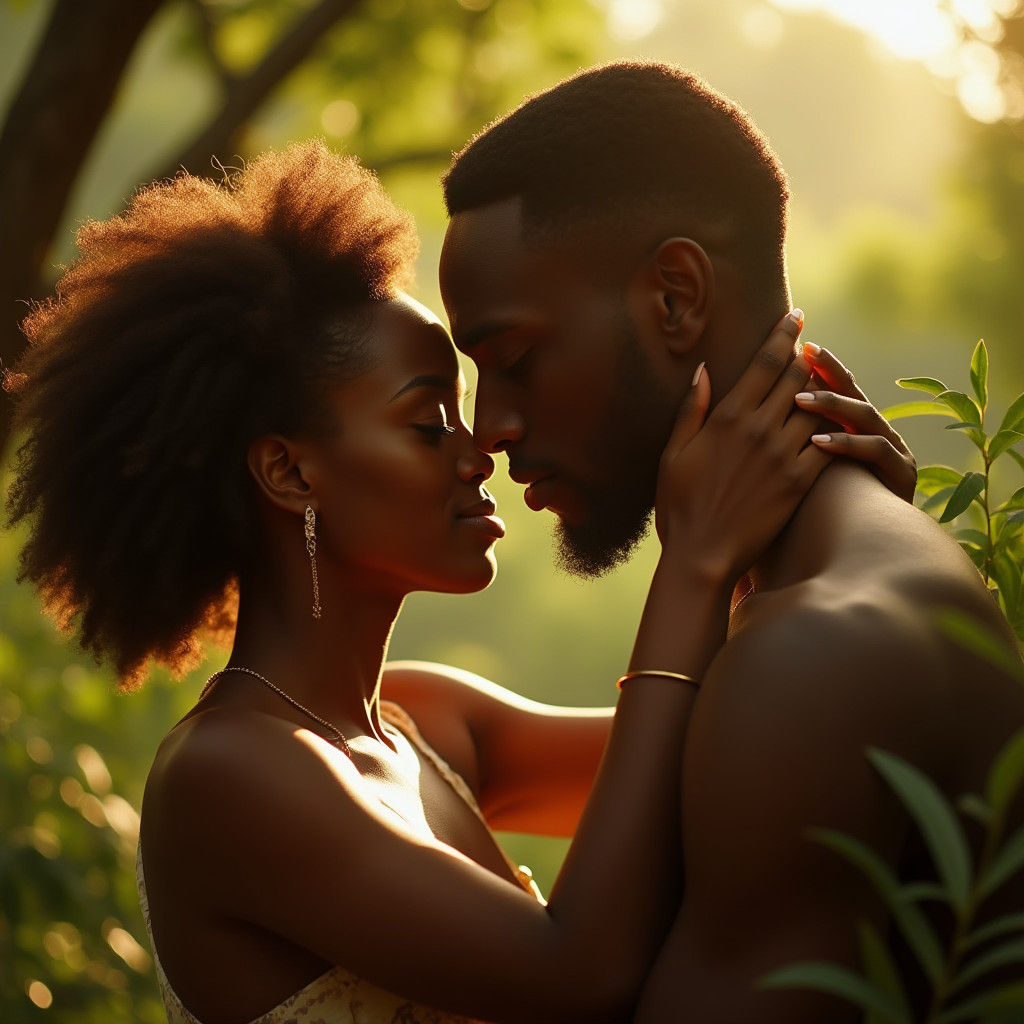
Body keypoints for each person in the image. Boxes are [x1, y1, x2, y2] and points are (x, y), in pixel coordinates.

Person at [1, 139, 917, 1023]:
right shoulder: (228, 775)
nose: (481, 450)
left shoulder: (431, 723)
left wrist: (818, 519)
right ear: (289, 473)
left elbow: (753, 754)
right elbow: (580, 966)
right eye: (427, 419)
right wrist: (693, 565)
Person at [435, 61, 1024, 1021]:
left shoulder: (811, 658)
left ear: (676, 295)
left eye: (514, 360)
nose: (489, 427)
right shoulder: (840, 582)